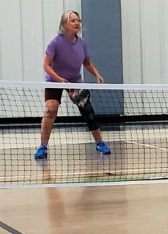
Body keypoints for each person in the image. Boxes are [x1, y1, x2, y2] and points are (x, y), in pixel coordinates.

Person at [35, 10, 112, 159]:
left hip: (74, 80)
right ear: (65, 24)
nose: (77, 23)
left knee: (87, 111)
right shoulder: (55, 42)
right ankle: (43, 147)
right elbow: (46, 65)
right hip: (54, 80)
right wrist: (59, 79)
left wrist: (96, 74)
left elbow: (87, 63)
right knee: (51, 111)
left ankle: (100, 143)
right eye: (73, 20)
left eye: (78, 20)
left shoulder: (81, 44)